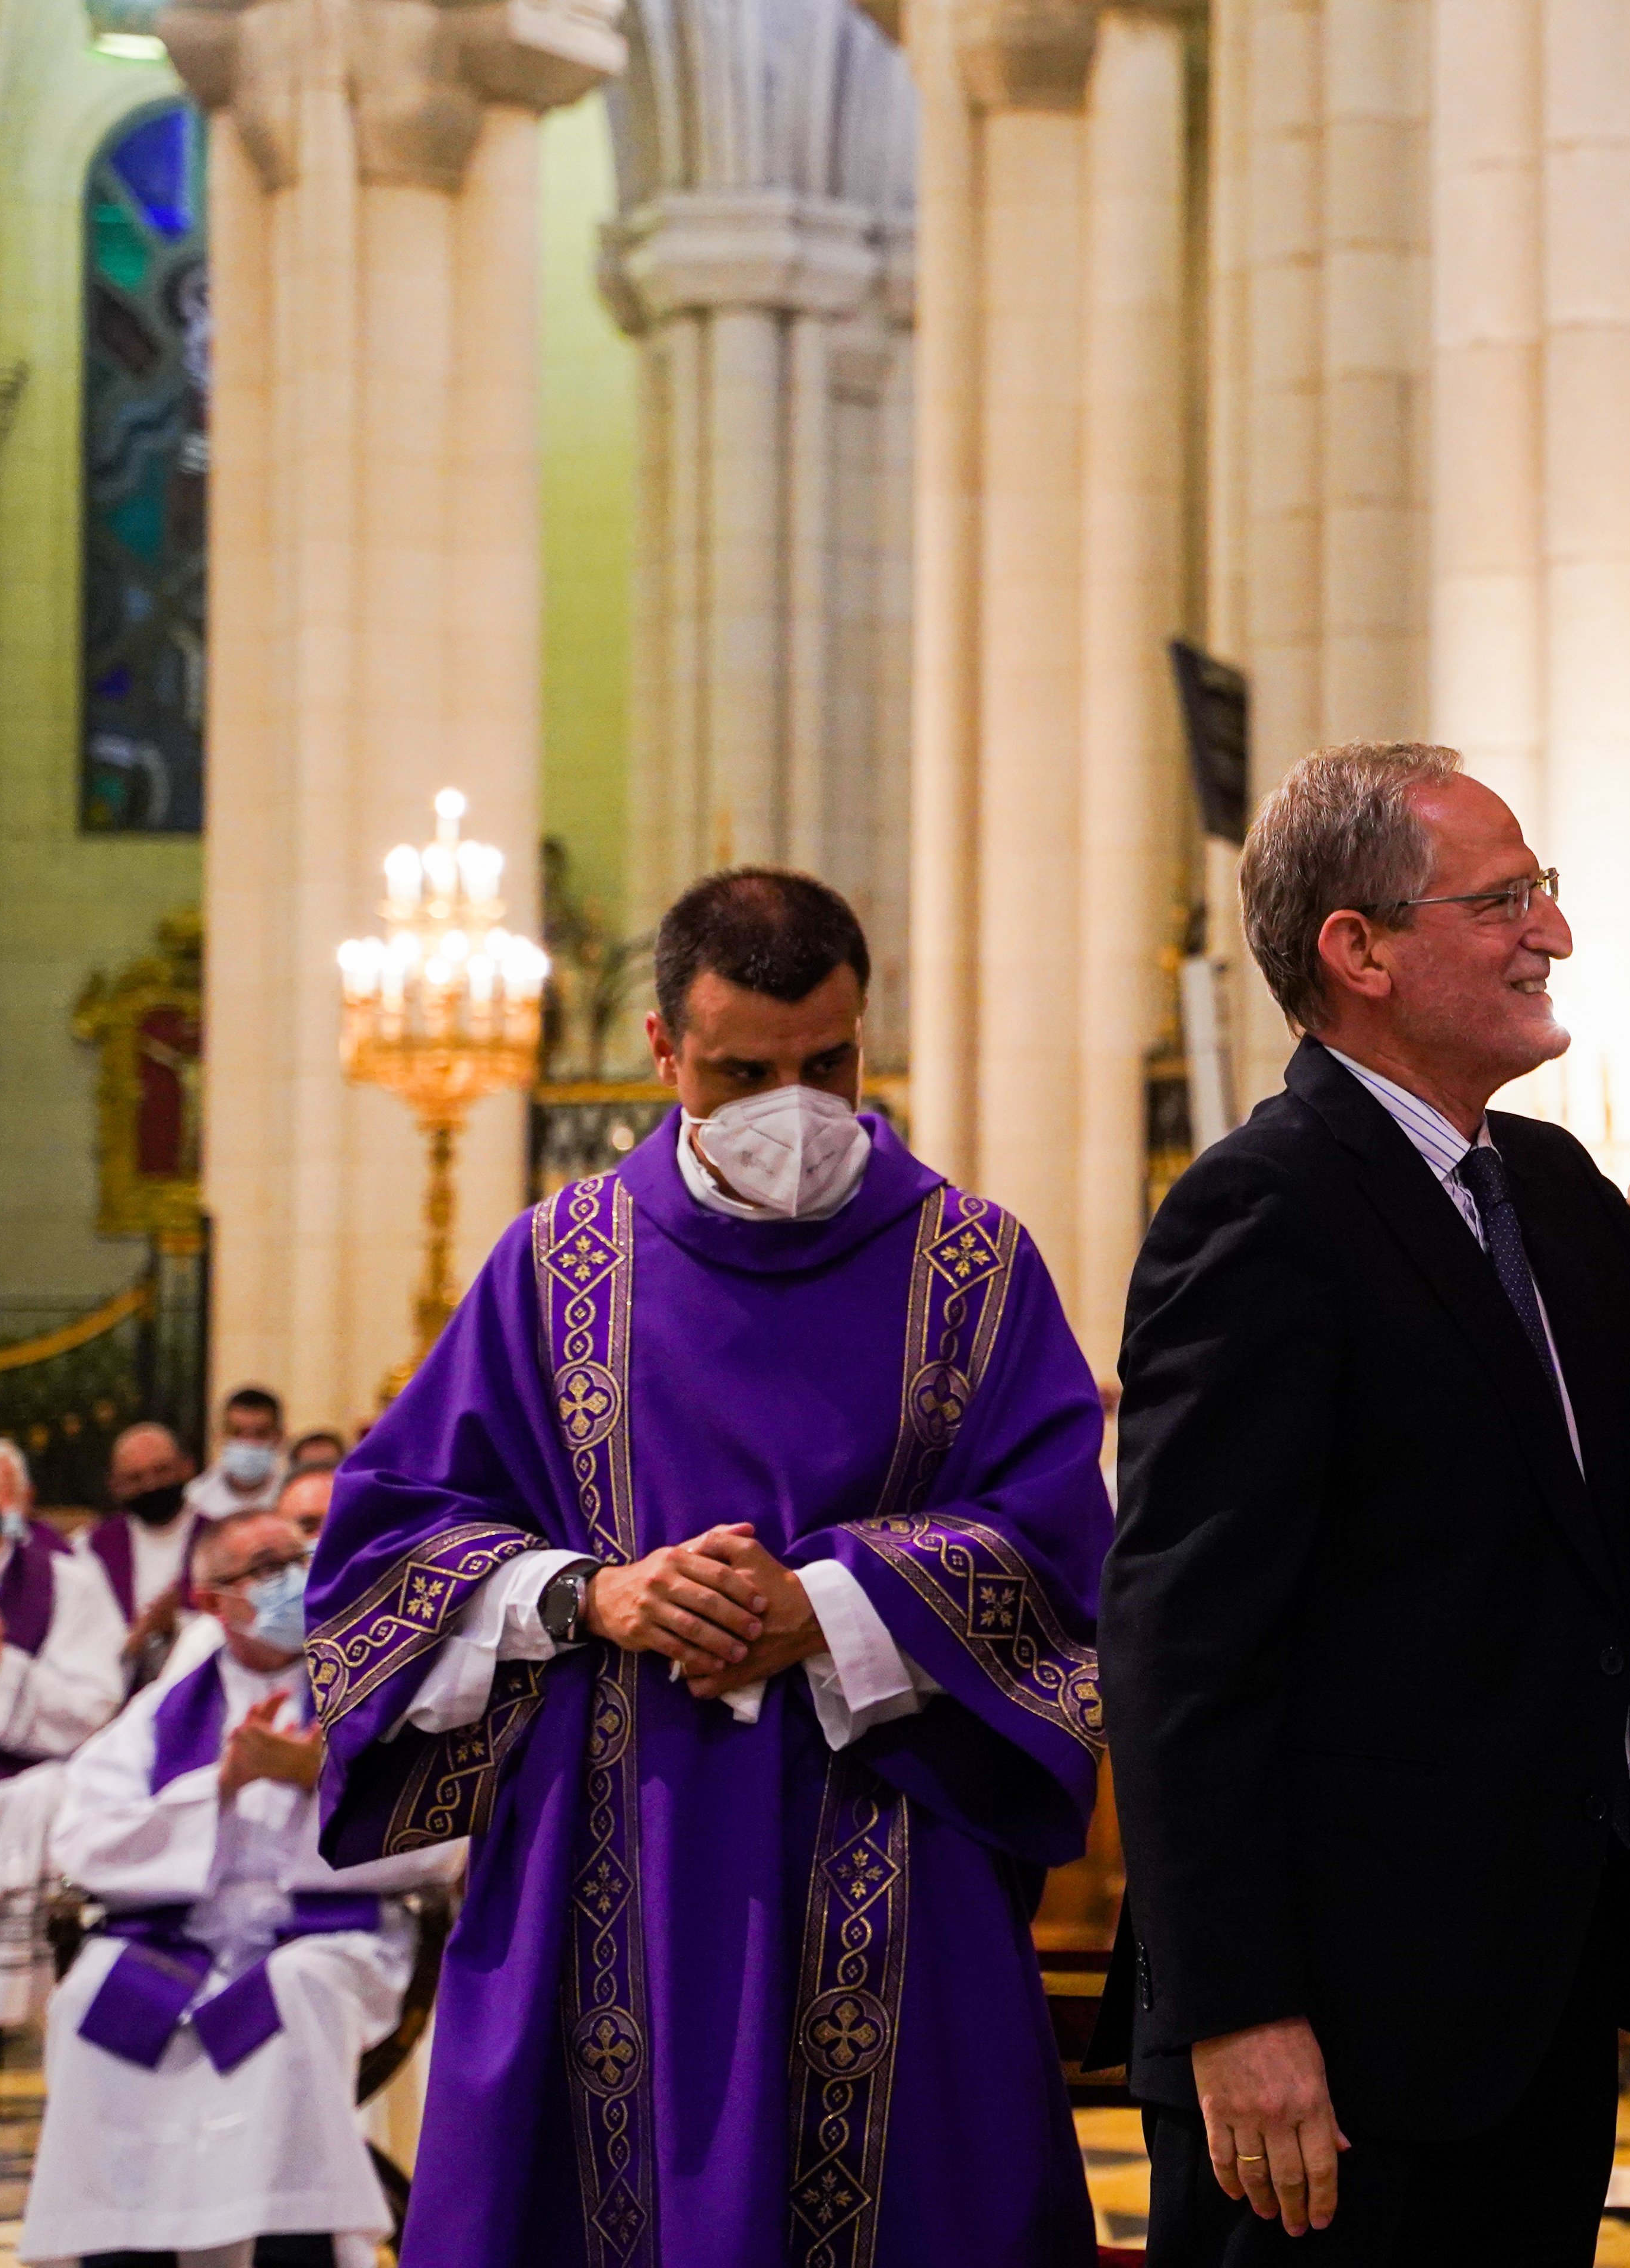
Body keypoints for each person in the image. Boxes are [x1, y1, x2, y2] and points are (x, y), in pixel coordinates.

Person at [306, 867, 1112, 2267]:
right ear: (663, 1049)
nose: (793, 1107)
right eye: (744, 1070)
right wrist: (589, 1591)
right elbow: (383, 1541)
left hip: (896, 1844)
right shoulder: (554, 1267)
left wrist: (832, 1604)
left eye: (829, 1063)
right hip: (608, 1843)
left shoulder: (974, 1266)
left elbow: (1062, 1542)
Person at [1096, 744, 1630, 2266]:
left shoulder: (1541, 1184)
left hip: (1536, 1994)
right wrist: (1239, 2010)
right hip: (1328, 2034)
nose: (1552, 931)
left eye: (1543, 891)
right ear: (1359, 949)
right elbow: (1182, 1646)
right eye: (1507, 899)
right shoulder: (1259, 1210)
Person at [20, 1510, 454, 2268]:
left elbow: (443, 1840)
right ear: (213, 1599)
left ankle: (299, 2246)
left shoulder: (367, 1679)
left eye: (296, 1558)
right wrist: (220, 1784)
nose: (289, 1579)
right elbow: (81, 1839)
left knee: (293, 1991)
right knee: (87, 2000)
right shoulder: (167, 1707)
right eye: (261, 1568)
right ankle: (119, 2251)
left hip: (326, 1936)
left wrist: (312, 1777)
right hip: (184, 1939)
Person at [0, 1439, 122, 2077]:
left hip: (16, 1785)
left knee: (39, 1796)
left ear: (7, 1500)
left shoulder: (69, 1583)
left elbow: (93, 1709)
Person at [85, 1422, 203, 1627]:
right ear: (115, 1486)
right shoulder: (91, 1547)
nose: (151, 1485)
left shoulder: (219, 1537)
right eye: (135, 1478)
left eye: (162, 1471)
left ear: (187, 1468)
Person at [187, 1387, 289, 1522]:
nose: (248, 1442)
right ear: (221, 1435)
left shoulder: (292, 1496)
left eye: (261, 1434)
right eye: (237, 1432)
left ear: (279, 1438)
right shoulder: (195, 1500)